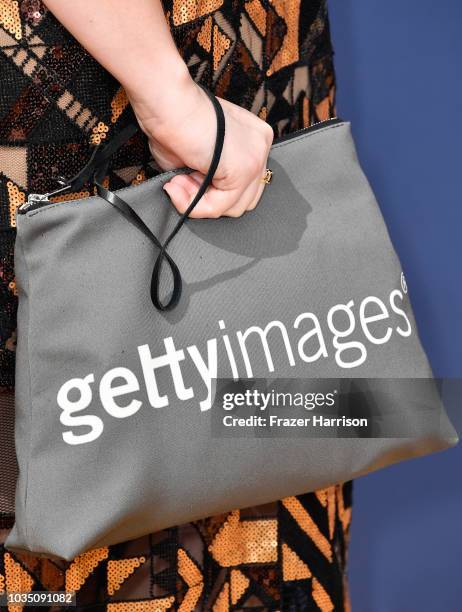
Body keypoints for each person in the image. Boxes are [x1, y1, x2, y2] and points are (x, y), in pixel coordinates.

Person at [0, 0, 352, 609]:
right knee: (84, 519)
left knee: (276, 458)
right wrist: (167, 91)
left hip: (249, 85)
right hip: (96, 92)